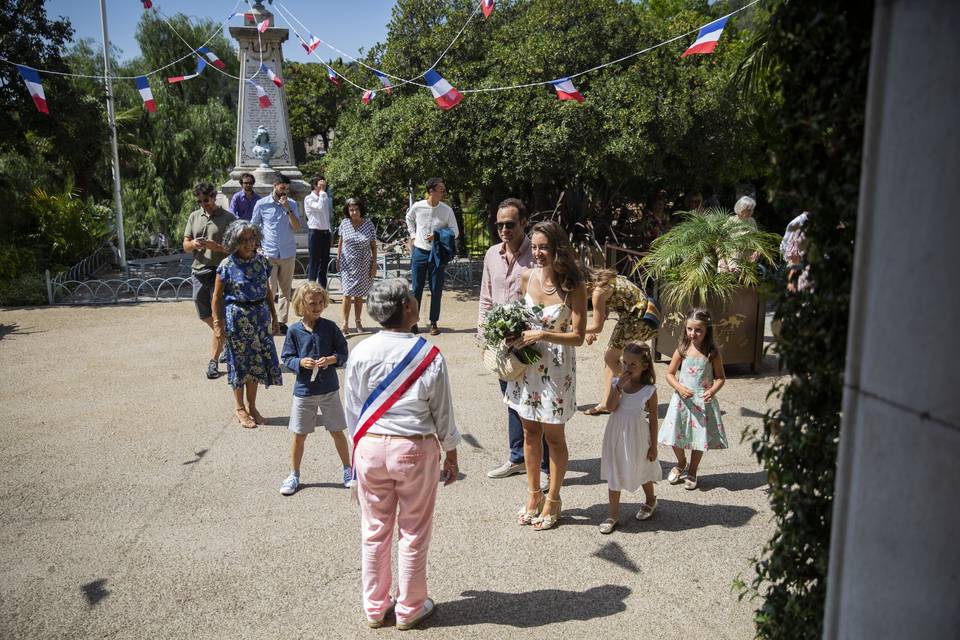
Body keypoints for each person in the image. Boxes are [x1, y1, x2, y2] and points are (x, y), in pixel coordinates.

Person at [343, 279, 460, 630]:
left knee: (374, 529)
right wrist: (451, 452)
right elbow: (443, 411)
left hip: (371, 447)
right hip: (413, 447)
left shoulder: (360, 351)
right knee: (413, 530)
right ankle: (410, 608)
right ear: (406, 308)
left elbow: (353, 408)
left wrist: (358, 448)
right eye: (412, 296)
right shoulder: (428, 354)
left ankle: (376, 608)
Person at [505, 221, 587, 531]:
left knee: (554, 437)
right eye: (535, 247)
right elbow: (518, 318)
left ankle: (554, 499)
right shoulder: (527, 277)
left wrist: (543, 333)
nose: (538, 253)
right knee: (528, 433)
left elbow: (579, 336)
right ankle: (533, 494)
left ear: (558, 249)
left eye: (544, 248)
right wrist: (510, 335)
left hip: (556, 369)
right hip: (527, 366)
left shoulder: (574, 285)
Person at [479, 199, 550, 487]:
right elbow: (486, 296)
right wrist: (483, 336)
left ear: (523, 222)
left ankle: (544, 465)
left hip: (531, 342)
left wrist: (535, 332)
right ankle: (518, 457)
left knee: (536, 402)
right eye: (499, 225)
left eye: (510, 224)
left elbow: (550, 296)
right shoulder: (491, 255)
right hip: (501, 343)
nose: (504, 230)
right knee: (511, 399)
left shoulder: (536, 256)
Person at [278, 282, 351, 495]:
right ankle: (294, 474)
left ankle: (348, 469)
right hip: (304, 392)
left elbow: (343, 352)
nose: (317, 307)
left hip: (329, 389)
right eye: (312, 303)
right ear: (301, 304)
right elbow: (287, 357)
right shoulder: (294, 330)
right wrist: (300, 363)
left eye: (320, 302)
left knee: (337, 431)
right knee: (299, 434)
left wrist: (333, 359)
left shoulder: (330, 327)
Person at [211, 220, 283, 429]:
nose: (248, 243)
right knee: (240, 364)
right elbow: (216, 297)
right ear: (234, 241)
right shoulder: (227, 265)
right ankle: (239, 407)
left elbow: (267, 290)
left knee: (256, 363)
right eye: (243, 240)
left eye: (252, 238)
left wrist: (274, 316)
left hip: (260, 318)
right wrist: (217, 323)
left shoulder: (262, 262)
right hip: (238, 318)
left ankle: (252, 406)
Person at [658, 308, 727, 490]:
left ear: (707, 331)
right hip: (682, 399)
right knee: (674, 435)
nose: (693, 333)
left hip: (702, 401)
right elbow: (670, 373)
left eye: (698, 330)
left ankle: (693, 470)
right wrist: (679, 387)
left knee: (698, 438)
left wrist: (712, 390)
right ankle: (681, 462)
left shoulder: (712, 352)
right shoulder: (682, 349)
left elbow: (720, 377)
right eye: (689, 329)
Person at [598, 342, 661, 534]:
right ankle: (613, 515)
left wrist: (654, 447)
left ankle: (651, 499)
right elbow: (610, 408)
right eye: (625, 363)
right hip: (616, 433)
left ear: (645, 366)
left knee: (641, 468)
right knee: (614, 470)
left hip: (638, 435)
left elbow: (653, 419)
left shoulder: (649, 390)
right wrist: (618, 388)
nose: (627, 367)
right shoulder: (617, 383)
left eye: (633, 364)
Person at [583, 268, 659, 416]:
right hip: (636, 315)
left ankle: (640, 392)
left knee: (610, 357)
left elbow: (597, 326)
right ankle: (607, 402)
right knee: (610, 358)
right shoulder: (603, 280)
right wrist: (591, 331)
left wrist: (573, 328)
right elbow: (603, 312)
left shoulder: (598, 291)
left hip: (636, 318)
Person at [182, 182, 236, 379]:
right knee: (204, 313)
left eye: (206, 200)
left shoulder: (229, 218)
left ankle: (213, 362)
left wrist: (216, 247)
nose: (203, 204)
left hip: (219, 272)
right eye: (199, 201)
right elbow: (185, 245)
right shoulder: (194, 216)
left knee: (217, 318)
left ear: (214, 197)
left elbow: (235, 248)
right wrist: (193, 244)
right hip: (198, 271)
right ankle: (227, 341)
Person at [405, 177, 459, 335]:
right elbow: (408, 219)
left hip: (437, 253)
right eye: (441, 189)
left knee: (436, 289)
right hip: (420, 251)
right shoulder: (417, 206)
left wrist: (438, 235)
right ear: (431, 191)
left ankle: (433, 322)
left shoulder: (446, 210)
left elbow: (455, 231)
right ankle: (413, 322)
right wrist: (413, 236)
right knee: (416, 289)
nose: (444, 192)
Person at [252, 174, 303, 334]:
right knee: (269, 290)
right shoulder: (262, 204)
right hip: (269, 253)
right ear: (274, 185)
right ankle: (268, 321)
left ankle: (281, 322)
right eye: (282, 188)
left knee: (285, 290)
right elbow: (254, 226)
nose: (284, 191)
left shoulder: (292, 204)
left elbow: (296, 227)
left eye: (287, 189)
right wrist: (256, 247)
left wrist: (287, 208)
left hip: (287, 252)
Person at [337, 197, 378, 335]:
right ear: (348, 211)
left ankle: (358, 321)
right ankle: (345, 323)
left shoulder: (369, 224)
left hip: (363, 263)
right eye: (351, 210)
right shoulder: (344, 223)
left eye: (356, 209)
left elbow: (373, 245)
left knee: (359, 295)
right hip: (347, 264)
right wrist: (337, 259)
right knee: (347, 293)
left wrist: (374, 264)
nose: (354, 212)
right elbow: (340, 243)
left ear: (361, 210)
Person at [304, 176, 333, 287]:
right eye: (321, 185)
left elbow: (327, 215)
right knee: (314, 263)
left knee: (324, 264)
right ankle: (311, 287)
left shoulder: (324, 196)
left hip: (325, 232)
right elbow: (319, 207)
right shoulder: (309, 198)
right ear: (315, 185)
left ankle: (323, 289)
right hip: (315, 232)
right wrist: (322, 192)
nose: (324, 187)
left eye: (324, 185)